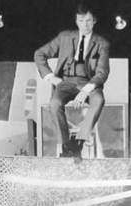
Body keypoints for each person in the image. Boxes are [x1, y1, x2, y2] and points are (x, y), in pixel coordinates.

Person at [34, 3, 110, 158]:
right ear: (76, 21)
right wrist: (50, 77)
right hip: (65, 82)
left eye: (88, 20)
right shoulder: (65, 37)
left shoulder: (102, 43)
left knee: (99, 99)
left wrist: (85, 91)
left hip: (88, 82)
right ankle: (66, 145)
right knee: (54, 103)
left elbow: (102, 72)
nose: (84, 25)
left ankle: (79, 143)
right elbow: (39, 54)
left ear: (94, 20)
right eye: (81, 21)